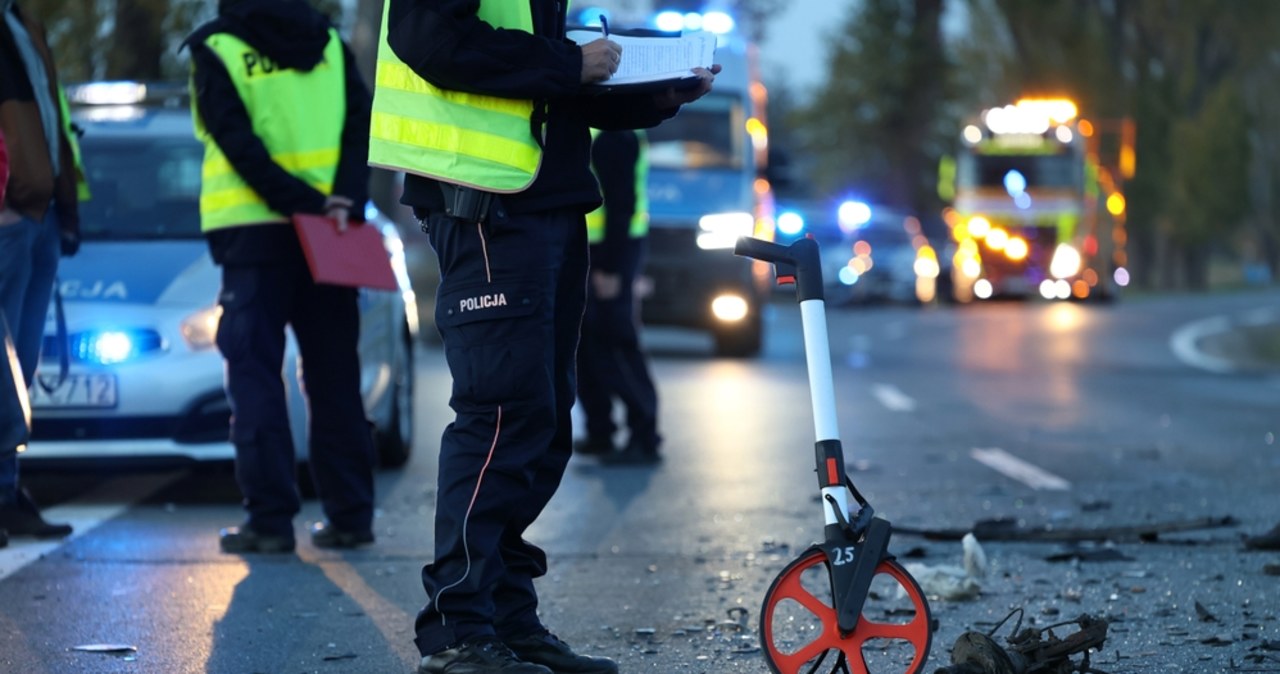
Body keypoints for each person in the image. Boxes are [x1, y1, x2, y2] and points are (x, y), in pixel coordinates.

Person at [372, 2, 718, 672]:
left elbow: (559, 92)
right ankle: (457, 631)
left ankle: (505, 618)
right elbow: (430, 41)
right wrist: (566, 59)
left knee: (544, 420)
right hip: (483, 205)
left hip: (548, 202)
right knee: (501, 414)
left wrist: (660, 94)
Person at [183, 0, 377, 554]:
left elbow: (237, 144)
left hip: (253, 234)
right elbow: (360, 127)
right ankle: (351, 517)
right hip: (331, 234)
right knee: (336, 376)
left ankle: (270, 522)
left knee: (256, 377)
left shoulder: (216, 47)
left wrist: (301, 203)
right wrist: (338, 200)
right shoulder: (331, 45)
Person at [0, 0, 78, 546]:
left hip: (39, 209)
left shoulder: (22, 20)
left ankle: (6, 493)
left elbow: (51, 119)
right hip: (10, 208)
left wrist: (67, 205)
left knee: (18, 370)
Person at [575, 128, 662, 466]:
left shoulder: (616, 133)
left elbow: (621, 202)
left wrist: (610, 267)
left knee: (615, 340)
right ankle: (600, 432)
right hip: (595, 248)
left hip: (611, 251)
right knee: (586, 343)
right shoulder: (601, 125)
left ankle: (644, 436)